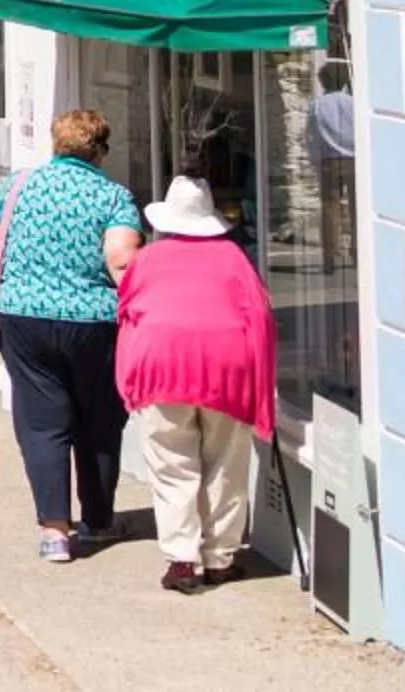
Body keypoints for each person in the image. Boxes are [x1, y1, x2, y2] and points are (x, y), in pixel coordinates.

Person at [0, 107, 145, 563]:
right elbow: (122, 260)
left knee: (42, 422)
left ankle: (54, 532)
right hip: (94, 322)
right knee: (99, 421)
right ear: (101, 150)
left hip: (24, 317)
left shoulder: (19, 185)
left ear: (56, 143)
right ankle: (98, 520)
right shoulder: (114, 197)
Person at [117, 174, 278, 593]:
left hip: (161, 365)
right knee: (226, 462)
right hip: (226, 368)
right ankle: (220, 557)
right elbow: (261, 318)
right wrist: (263, 387)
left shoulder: (148, 259)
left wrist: (129, 377)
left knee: (172, 465)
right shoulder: (234, 259)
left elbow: (128, 315)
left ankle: (182, 560)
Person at [308, 60, 357, 266]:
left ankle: (330, 256)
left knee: (330, 208)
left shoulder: (317, 105)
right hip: (354, 158)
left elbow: (311, 136)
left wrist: (314, 159)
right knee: (357, 207)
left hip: (329, 159)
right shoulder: (353, 103)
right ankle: (357, 251)